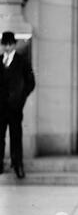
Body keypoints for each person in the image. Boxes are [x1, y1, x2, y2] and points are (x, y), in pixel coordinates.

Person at [0, 31, 35, 179]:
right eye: (5, 44)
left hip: (15, 107)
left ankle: (18, 165)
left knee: (16, 136)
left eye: (10, 44)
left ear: (14, 45)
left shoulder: (22, 62)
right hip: (0, 108)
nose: (7, 47)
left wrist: (21, 98)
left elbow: (30, 83)